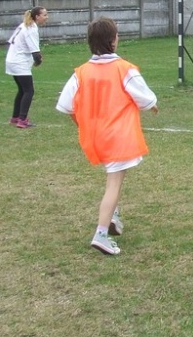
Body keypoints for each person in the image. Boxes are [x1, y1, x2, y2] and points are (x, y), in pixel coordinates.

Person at [56, 17, 159, 256]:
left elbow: (66, 106)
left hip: (96, 138)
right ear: (113, 41)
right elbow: (146, 98)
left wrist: (84, 125)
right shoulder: (124, 69)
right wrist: (153, 105)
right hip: (118, 138)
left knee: (114, 177)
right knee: (114, 183)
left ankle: (113, 215)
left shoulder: (81, 72)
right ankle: (101, 234)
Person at [5, 5, 49, 128]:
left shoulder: (24, 25)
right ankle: (22, 120)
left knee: (22, 90)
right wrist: (38, 61)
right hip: (19, 62)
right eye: (45, 15)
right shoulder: (31, 29)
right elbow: (35, 53)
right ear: (37, 16)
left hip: (12, 60)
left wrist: (36, 58)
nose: (47, 17)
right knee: (29, 91)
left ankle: (15, 117)